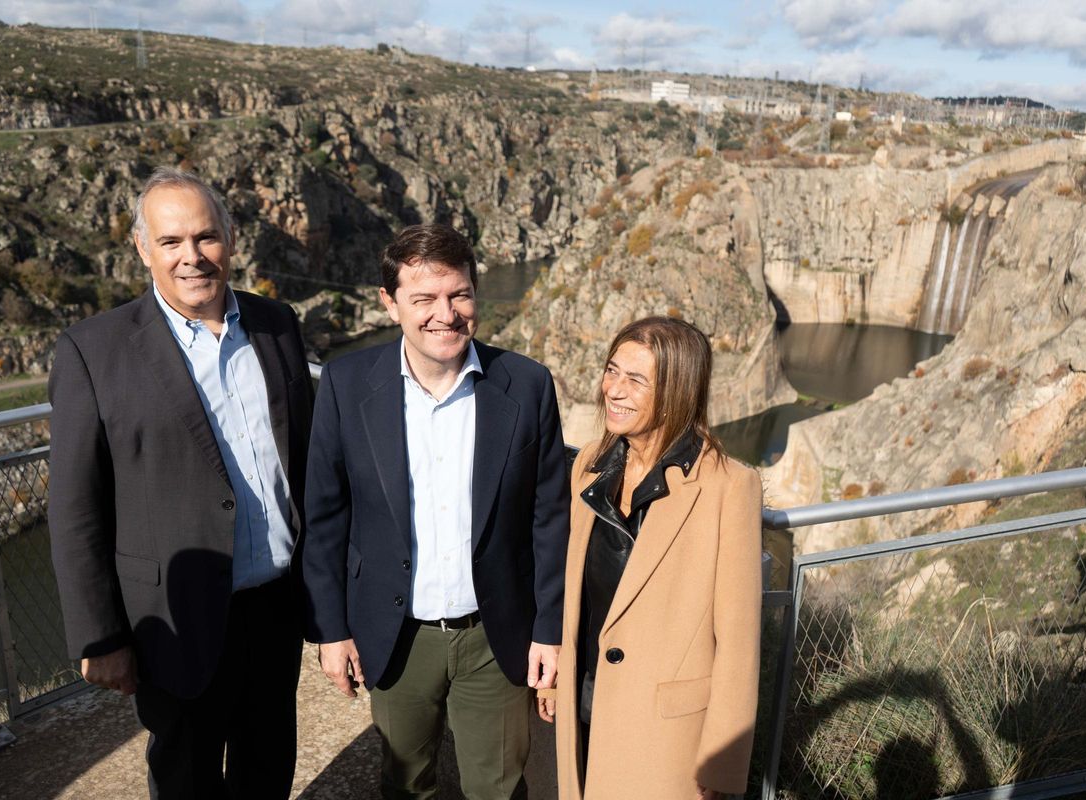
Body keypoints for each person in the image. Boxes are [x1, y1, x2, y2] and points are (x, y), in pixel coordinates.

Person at [48, 167, 314, 798]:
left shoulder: (277, 326)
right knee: (187, 775)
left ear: (231, 238)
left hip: (274, 606)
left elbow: (302, 461)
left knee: (268, 763)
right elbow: (75, 507)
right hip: (173, 614)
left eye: (206, 237)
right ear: (144, 249)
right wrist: (101, 636)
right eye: (171, 242)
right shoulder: (94, 350)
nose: (192, 257)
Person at [302, 223, 569, 799]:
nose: (445, 314)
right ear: (390, 303)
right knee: (405, 783)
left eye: (459, 294)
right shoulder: (348, 385)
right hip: (396, 635)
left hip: (495, 636)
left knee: (496, 787)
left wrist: (550, 631)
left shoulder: (527, 385)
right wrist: (331, 629)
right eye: (423, 298)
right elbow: (325, 517)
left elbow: (550, 518)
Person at [540, 316, 762, 799]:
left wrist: (722, 766)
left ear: (678, 391)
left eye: (635, 380)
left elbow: (739, 641)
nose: (613, 390)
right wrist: (556, 675)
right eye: (611, 370)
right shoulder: (590, 464)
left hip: (666, 733)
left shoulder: (729, 487)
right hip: (585, 704)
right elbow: (573, 587)